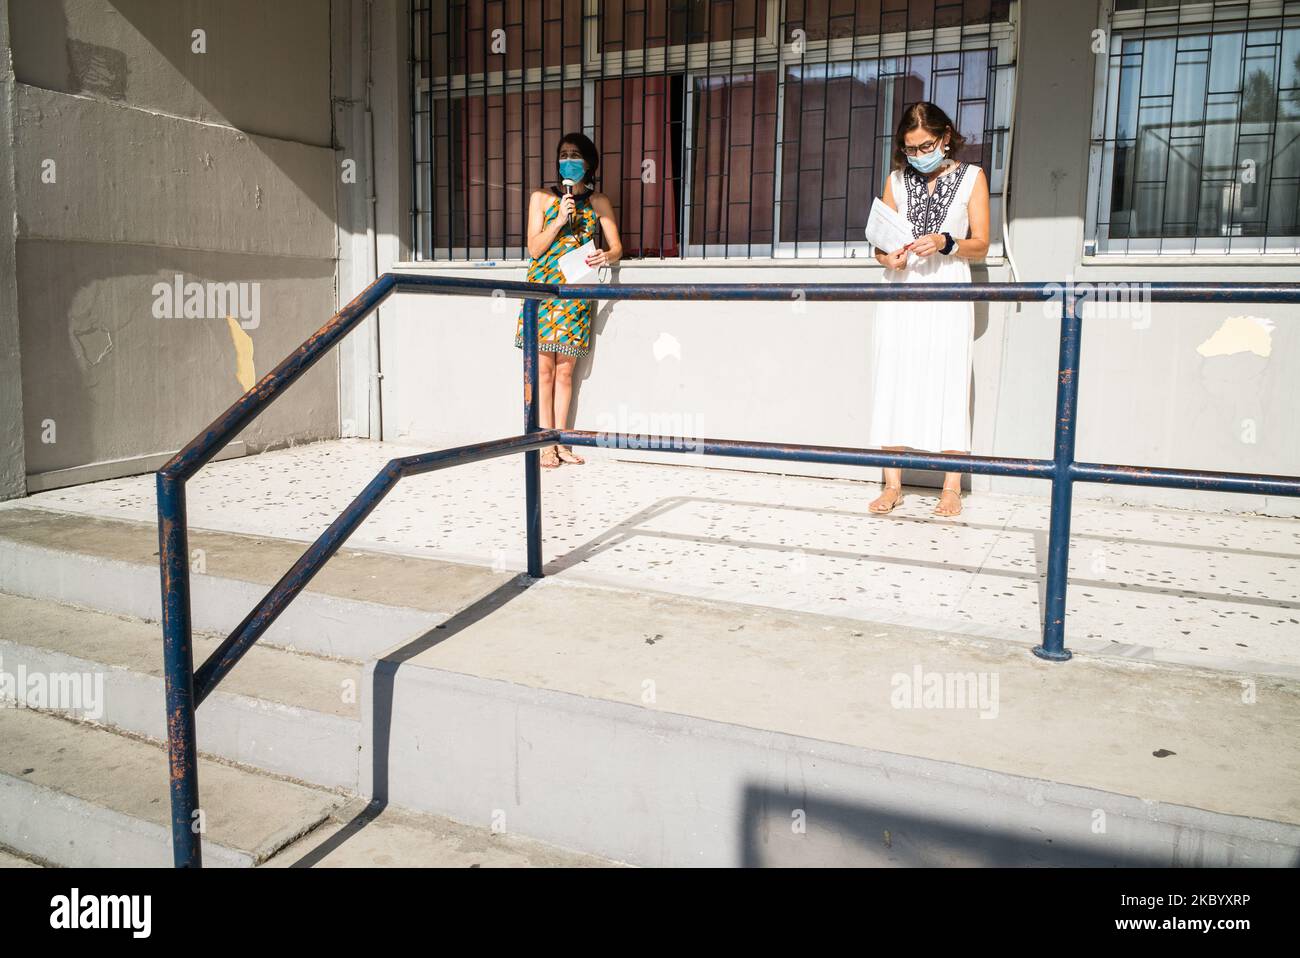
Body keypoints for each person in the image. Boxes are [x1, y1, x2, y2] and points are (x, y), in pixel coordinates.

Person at [868, 102, 990, 517]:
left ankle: (951, 487)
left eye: (927, 145)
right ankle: (892, 484)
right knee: (894, 374)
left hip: (947, 287)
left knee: (949, 376)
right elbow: (879, 243)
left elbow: (982, 243)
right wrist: (889, 259)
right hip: (901, 288)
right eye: (911, 149)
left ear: (946, 136)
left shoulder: (973, 177)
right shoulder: (896, 181)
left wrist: (945, 242)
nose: (919, 155)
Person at [514, 132, 623, 468]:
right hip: (543, 291)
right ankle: (543, 443)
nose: (568, 160)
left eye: (575, 155)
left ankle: (562, 441)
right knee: (542, 372)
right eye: (563, 154)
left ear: (589, 163)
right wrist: (559, 219)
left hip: (576, 294)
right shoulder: (542, 198)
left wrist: (604, 256)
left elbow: (618, 248)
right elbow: (534, 248)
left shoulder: (598, 202)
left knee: (565, 374)